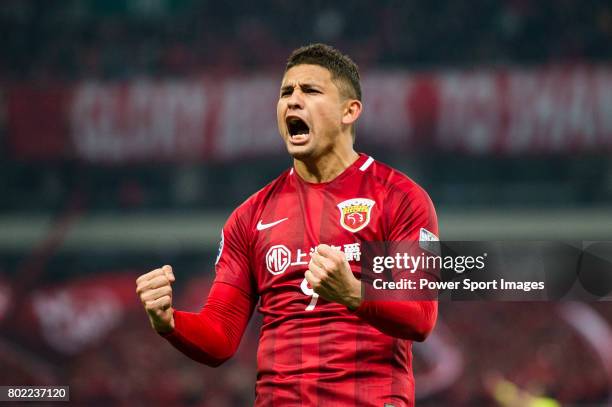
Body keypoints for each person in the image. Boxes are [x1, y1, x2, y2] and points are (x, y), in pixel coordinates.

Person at [136, 43, 438, 407]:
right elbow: (221, 336)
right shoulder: (249, 217)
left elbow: (421, 315)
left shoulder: (402, 199)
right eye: (285, 92)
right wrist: (170, 323)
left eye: (310, 90)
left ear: (349, 111)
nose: (292, 101)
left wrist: (354, 294)